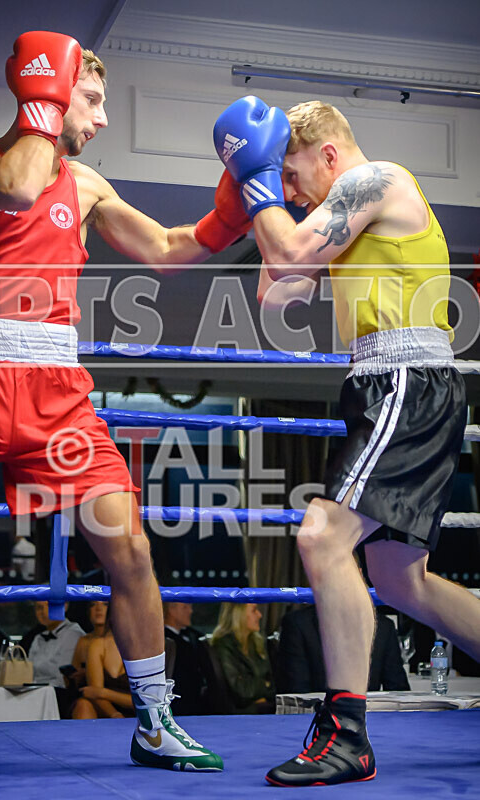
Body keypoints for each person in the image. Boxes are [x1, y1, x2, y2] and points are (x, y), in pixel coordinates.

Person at [0, 30, 249, 771]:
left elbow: (169, 251)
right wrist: (42, 97)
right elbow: (13, 185)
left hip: (56, 401)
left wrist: (237, 204)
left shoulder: (88, 184)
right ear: (50, 90)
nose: (103, 119)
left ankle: (153, 720)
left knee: (130, 547)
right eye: (93, 99)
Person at [212, 96, 480, 786]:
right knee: (397, 578)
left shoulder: (377, 179)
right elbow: (279, 290)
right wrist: (261, 196)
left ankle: (346, 735)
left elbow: (292, 249)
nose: (293, 191)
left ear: (328, 155)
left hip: (404, 380)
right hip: (382, 385)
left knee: (319, 538)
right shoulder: (343, 215)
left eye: (295, 173)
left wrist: (256, 180)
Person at [275, 605, 409, 693]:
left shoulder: (383, 627)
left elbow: (397, 689)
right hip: (315, 722)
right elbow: (295, 690)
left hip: (371, 720)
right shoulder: (298, 624)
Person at [210, 603, 275, 714]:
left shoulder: (256, 643)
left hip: (262, 709)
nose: (260, 615)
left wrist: (257, 686)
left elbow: (274, 684)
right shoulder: (223, 645)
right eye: (254, 610)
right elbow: (242, 692)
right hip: (238, 716)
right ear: (238, 614)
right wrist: (265, 684)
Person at [72, 616, 134, 720]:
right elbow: (93, 694)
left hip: (139, 712)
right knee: (83, 705)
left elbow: (148, 701)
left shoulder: (149, 646)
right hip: (104, 708)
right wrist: (115, 714)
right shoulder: (97, 645)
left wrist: (104, 693)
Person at [26, 601, 84, 688]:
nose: (44, 612)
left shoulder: (73, 634)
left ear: (64, 606)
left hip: (58, 694)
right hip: (36, 692)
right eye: (39, 607)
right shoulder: (38, 638)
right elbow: (29, 674)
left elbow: (63, 680)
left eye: (49, 606)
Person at [163, 601, 207, 715]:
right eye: (185, 607)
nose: (191, 611)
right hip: (181, 707)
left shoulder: (193, 636)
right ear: (172, 610)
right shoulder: (165, 641)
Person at [70, 599, 109, 688]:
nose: (98, 608)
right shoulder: (83, 641)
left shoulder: (121, 641)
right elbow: (73, 674)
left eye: (105, 604)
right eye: (93, 604)